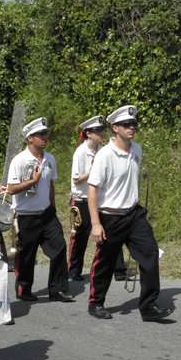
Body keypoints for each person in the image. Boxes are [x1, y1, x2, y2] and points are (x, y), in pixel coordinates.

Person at [87, 105, 174, 323]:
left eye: (134, 124)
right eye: (127, 125)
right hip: (110, 216)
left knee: (150, 253)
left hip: (134, 215)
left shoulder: (137, 150)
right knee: (105, 262)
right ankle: (96, 302)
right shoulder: (104, 155)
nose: (132, 128)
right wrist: (96, 224)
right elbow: (92, 190)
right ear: (115, 128)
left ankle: (148, 306)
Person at [6, 117, 74, 302]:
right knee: (27, 255)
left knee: (59, 247)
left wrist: (52, 207)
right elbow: (11, 188)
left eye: (46, 134)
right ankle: (24, 289)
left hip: (46, 214)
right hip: (27, 216)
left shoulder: (49, 159)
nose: (45, 137)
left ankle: (57, 289)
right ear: (30, 138)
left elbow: (50, 185)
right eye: (40, 135)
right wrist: (32, 182)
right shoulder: (19, 160)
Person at [68, 116, 127, 282]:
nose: (101, 134)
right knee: (80, 236)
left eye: (102, 130)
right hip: (82, 199)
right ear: (88, 134)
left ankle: (119, 269)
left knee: (111, 233)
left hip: (100, 199)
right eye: (97, 131)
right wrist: (93, 170)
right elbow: (76, 179)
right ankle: (74, 270)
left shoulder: (102, 149)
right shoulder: (80, 152)